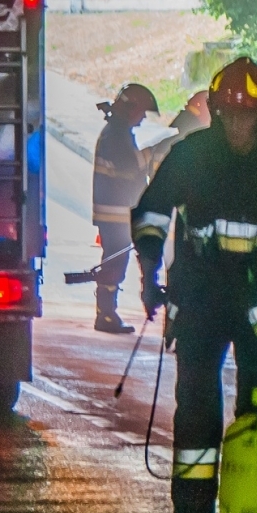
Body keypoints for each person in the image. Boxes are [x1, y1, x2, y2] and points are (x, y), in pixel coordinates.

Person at [131, 57, 257, 513]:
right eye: (227, 115)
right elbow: (152, 211)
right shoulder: (190, 157)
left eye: (245, 115)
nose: (236, 124)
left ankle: (253, 510)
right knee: (196, 408)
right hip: (201, 301)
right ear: (215, 113)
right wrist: (148, 269)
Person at [90, 83, 160, 333]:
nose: (142, 119)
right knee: (115, 264)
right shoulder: (116, 134)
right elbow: (129, 167)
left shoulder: (117, 132)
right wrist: (155, 151)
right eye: (141, 112)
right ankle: (106, 315)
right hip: (115, 213)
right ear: (130, 108)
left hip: (116, 212)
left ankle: (107, 312)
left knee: (116, 261)